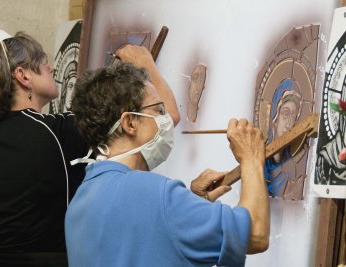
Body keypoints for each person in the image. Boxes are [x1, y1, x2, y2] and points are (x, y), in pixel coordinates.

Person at [0, 29, 169, 267]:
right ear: (23, 76)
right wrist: (145, 64)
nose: (52, 69)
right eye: (43, 63)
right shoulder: (59, 133)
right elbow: (159, 123)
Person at [65, 62, 270, 266]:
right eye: (158, 110)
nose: (166, 120)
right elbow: (255, 235)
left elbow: (146, 242)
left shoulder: (81, 200)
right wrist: (251, 158)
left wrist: (193, 206)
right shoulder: (154, 195)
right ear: (130, 123)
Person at [264, 79, 308, 200]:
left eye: (293, 116)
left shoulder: (291, 168)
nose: (289, 125)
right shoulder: (260, 162)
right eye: (285, 113)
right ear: (275, 117)